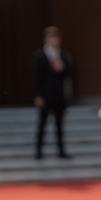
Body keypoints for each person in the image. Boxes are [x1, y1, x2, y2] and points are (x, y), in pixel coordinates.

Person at [32, 26, 71, 160]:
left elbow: (69, 74)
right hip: (45, 96)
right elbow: (36, 78)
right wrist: (38, 95)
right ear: (46, 40)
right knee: (42, 124)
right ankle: (38, 151)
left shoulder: (62, 55)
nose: (55, 40)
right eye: (52, 37)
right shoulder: (40, 57)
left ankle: (61, 151)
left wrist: (62, 68)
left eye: (57, 37)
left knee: (60, 125)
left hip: (59, 96)